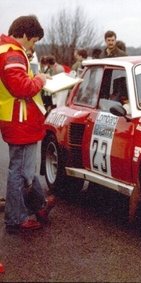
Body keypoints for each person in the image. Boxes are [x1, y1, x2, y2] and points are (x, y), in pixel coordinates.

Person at [0, 15, 56, 234]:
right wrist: (40, 79)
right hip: (20, 120)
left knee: (24, 170)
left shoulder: (6, 50)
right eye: (33, 41)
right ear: (23, 35)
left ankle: (39, 206)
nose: (33, 46)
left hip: (15, 119)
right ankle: (16, 218)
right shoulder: (13, 54)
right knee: (21, 173)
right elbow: (21, 88)